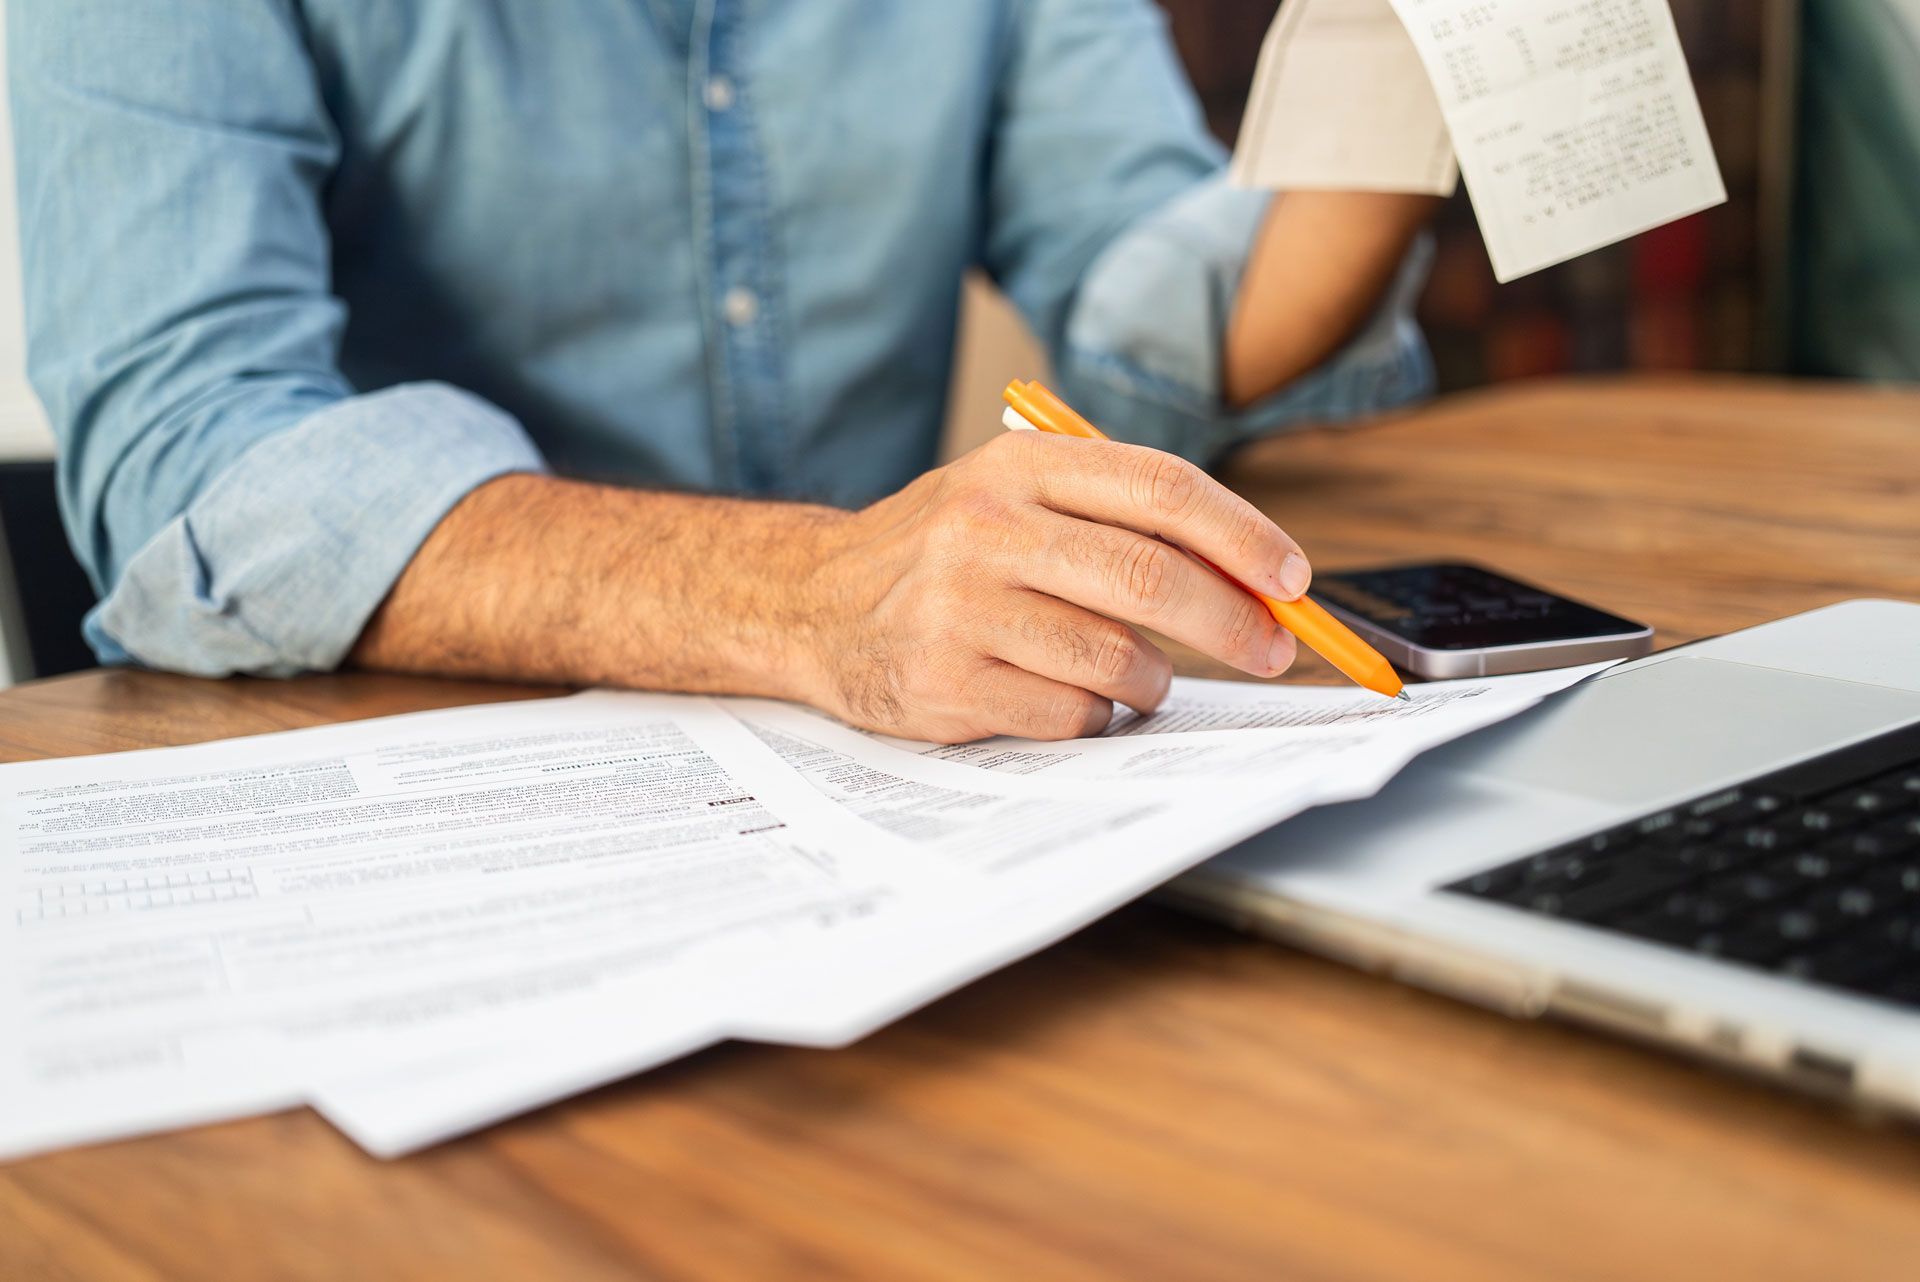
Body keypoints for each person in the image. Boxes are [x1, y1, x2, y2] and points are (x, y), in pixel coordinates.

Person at [11, 1, 1437, 743]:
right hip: (409, 804)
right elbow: (185, 450)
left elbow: (1161, 314)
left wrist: (1432, 61)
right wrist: (807, 595)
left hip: (891, 798)